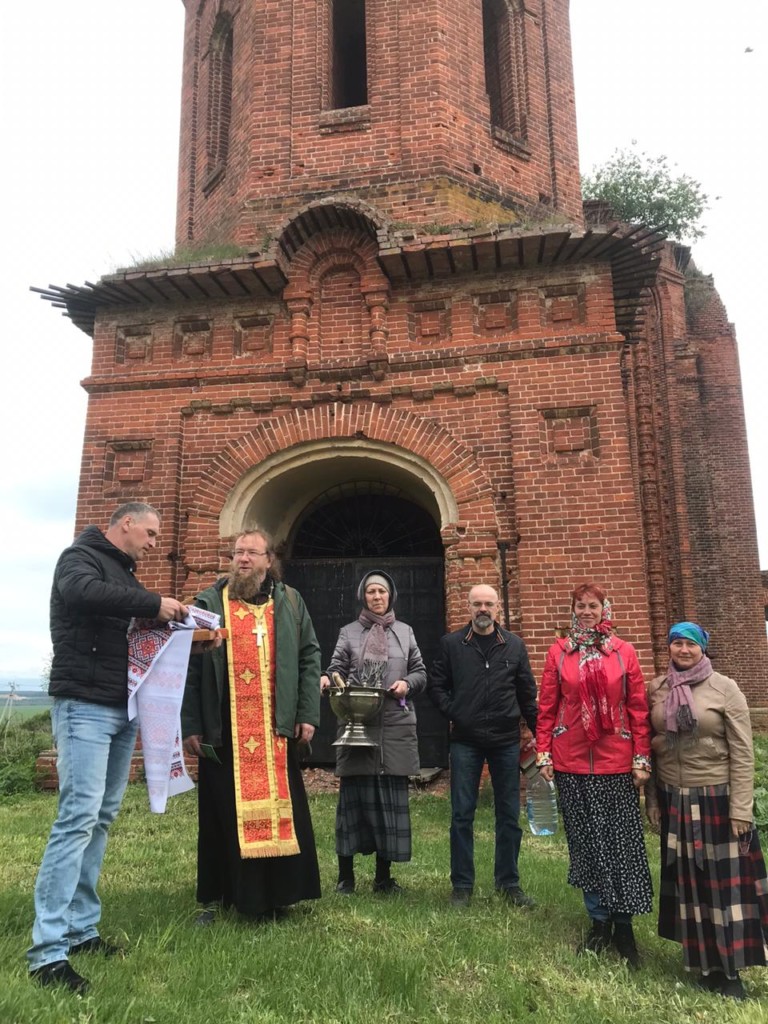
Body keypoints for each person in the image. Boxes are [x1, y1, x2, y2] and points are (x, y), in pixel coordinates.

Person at [28, 502, 189, 993]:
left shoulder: (124, 574)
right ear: (126, 524)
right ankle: (47, 953)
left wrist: (186, 635)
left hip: (122, 708)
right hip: (83, 706)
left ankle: (81, 930)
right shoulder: (79, 558)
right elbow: (83, 595)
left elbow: (141, 627)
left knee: (100, 816)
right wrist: (152, 603)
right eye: (152, 532)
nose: (156, 542)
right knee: (77, 817)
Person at [182, 528, 322, 925]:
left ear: (268, 560)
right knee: (223, 814)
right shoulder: (209, 604)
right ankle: (230, 894)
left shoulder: (291, 602)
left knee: (283, 810)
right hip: (224, 731)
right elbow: (188, 665)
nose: (243, 559)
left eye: (252, 553)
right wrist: (191, 722)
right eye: (238, 552)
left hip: (276, 731)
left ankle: (280, 895)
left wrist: (307, 713)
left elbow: (310, 658)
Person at [645, 622, 768, 1000]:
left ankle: (731, 972)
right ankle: (704, 965)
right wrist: (652, 799)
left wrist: (741, 809)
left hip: (717, 797)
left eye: (691, 645)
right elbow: (651, 746)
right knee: (691, 886)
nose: (683, 650)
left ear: (703, 649)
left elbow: (743, 751)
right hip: (675, 798)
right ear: (669, 648)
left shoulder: (724, 688)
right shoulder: (657, 688)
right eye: (677, 643)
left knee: (725, 888)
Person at [536, 583, 653, 967]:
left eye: (593, 605)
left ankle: (624, 926)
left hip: (615, 760)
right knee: (585, 846)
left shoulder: (624, 652)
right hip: (571, 760)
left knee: (621, 845)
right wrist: (543, 752)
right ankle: (598, 922)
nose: (587, 611)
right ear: (573, 610)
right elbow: (548, 706)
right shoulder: (559, 651)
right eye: (580, 606)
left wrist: (641, 756)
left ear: (606, 608)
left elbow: (637, 707)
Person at [429, 584, 538, 908]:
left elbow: (526, 694)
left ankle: (509, 884)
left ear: (498, 608)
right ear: (468, 607)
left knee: (508, 814)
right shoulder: (452, 644)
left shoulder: (515, 646)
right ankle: (462, 886)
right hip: (465, 741)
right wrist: (455, 711)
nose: (482, 609)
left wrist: (540, 735)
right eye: (477, 603)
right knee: (462, 814)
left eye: (488, 604)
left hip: (505, 741)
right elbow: (436, 685)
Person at [320, 570, 426, 895]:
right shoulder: (349, 632)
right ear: (363, 597)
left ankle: (383, 879)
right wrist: (328, 677)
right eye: (370, 592)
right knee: (352, 806)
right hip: (357, 725)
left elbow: (420, 671)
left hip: (394, 726)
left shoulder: (405, 633)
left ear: (390, 595)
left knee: (388, 809)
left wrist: (408, 683)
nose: (376, 597)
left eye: (381, 591)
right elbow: (336, 667)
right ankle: (345, 879)